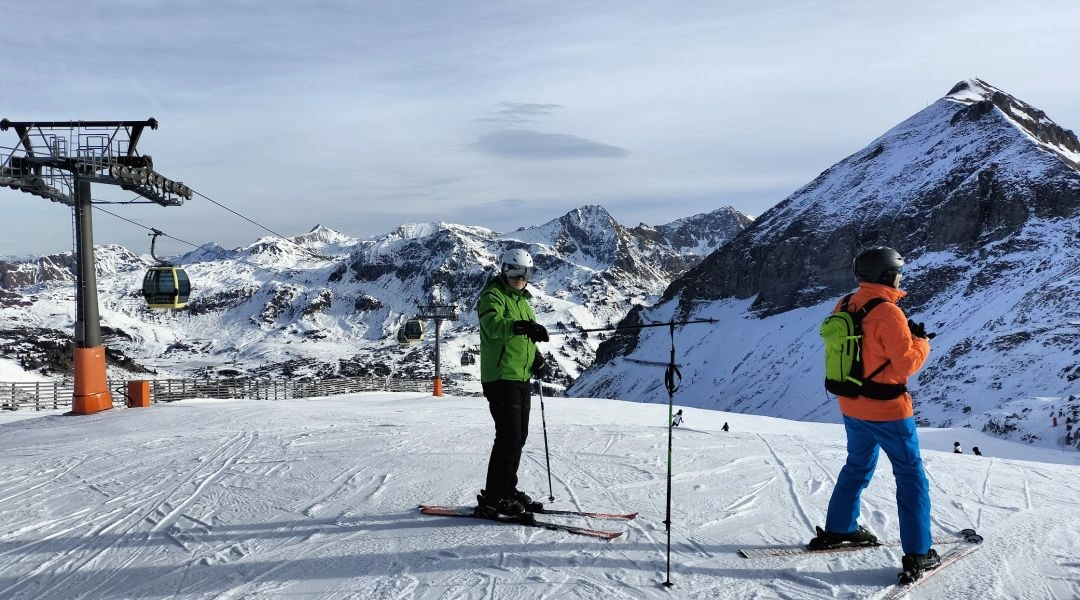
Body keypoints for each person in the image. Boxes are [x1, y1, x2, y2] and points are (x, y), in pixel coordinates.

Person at [809, 247, 938, 581]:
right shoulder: (889, 312)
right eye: (898, 272)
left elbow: (862, 349)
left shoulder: (845, 303)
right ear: (887, 275)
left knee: (857, 465)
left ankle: (840, 528)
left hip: (852, 404)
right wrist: (921, 341)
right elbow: (906, 365)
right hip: (888, 410)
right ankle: (919, 552)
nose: (901, 277)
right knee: (910, 475)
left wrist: (904, 335)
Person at [475, 248, 549, 517]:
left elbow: (525, 337)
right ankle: (495, 497)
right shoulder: (492, 296)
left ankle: (507, 488)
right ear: (505, 270)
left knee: (518, 438)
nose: (521, 277)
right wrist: (521, 326)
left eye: (527, 272)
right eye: (516, 271)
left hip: (520, 376)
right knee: (508, 437)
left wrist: (536, 357)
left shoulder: (523, 301)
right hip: (500, 376)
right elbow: (494, 326)